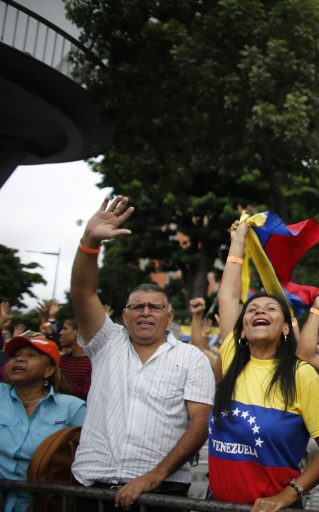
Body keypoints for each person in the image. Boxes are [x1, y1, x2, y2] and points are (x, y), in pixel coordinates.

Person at [69, 196, 215, 511]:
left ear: (170, 317)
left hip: (162, 491)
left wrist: (153, 476)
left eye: (155, 307)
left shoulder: (192, 359)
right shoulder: (106, 342)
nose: (146, 312)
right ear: (124, 314)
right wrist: (89, 243)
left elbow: (200, 424)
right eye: (138, 306)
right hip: (94, 487)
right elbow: (82, 292)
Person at [208, 218, 319, 510]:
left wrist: (288, 496)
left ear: (286, 328)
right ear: (242, 328)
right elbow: (227, 296)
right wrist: (239, 240)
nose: (259, 311)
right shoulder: (230, 357)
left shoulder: (301, 375)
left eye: (270, 308)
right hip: (216, 506)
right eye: (252, 309)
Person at [0, 335, 85, 512]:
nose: (20, 359)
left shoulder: (72, 408)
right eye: (15, 356)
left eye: (31, 355)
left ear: (48, 370)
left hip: (43, 504)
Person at [58, 318, 92, 400]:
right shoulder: (62, 359)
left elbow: (85, 395)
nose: (60, 333)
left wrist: (60, 377)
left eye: (64, 329)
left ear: (77, 332)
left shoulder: (93, 363)